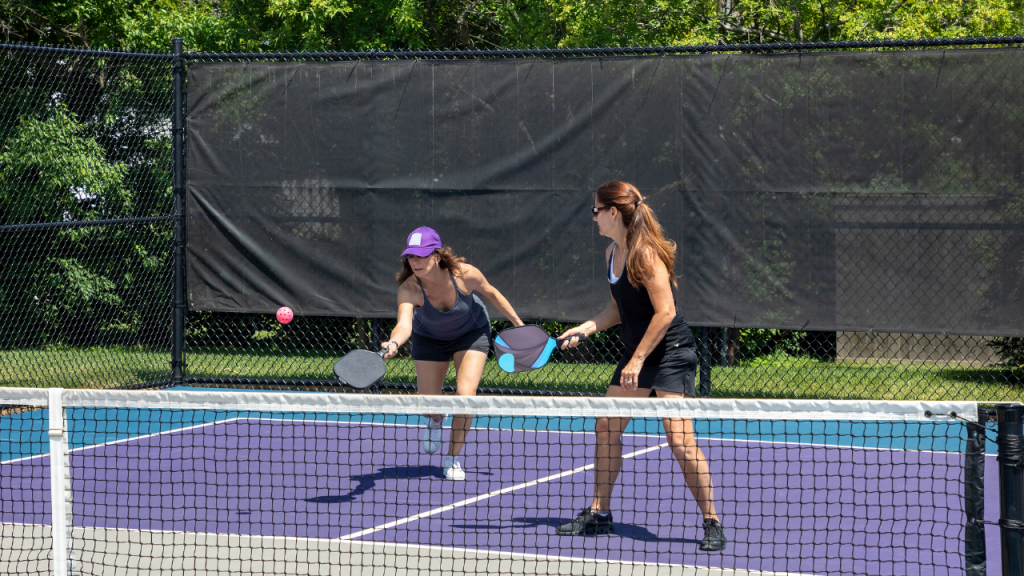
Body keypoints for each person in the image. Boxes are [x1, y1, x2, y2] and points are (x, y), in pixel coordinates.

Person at [555, 182, 727, 552]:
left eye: (596, 210)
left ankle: (711, 521)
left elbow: (666, 312)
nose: (594, 217)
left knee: (680, 441)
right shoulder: (611, 253)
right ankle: (600, 514)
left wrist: (636, 360)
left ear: (613, 212)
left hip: (671, 353)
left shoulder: (646, 255)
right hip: (639, 352)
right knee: (606, 427)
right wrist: (587, 328)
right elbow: (619, 308)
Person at [381, 226, 524, 481]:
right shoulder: (409, 288)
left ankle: (453, 459)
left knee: (465, 396)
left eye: (422, 255)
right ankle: (435, 418)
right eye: (411, 256)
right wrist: (394, 343)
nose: (415, 261)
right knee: (427, 404)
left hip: (471, 333)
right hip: (429, 339)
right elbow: (404, 325)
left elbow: (492, 293)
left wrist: (519, 326)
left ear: (436, 255)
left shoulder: (464, 274)